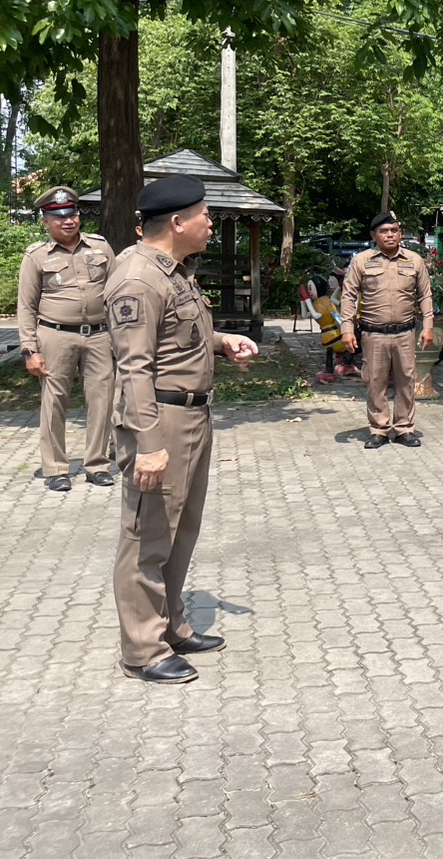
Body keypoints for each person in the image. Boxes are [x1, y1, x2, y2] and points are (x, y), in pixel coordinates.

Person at [107, 175, 259, 683]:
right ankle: (143, 650)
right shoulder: (138, 278)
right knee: (147, 537)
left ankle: (170, 626)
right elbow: (134, 368)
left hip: (193, 417)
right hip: (159, 420)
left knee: (179, 531)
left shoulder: (172, 272)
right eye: (205, 215)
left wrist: (221, 342)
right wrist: (148, 445)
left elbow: (176, 335)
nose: (210, 223)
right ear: (177, 222)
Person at [17, 185, 117, 492]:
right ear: (46, 221)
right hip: (55, 336)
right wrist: (29, 350)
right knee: (54, 402)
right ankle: (56, 469)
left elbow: (119, 290)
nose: (68, 221)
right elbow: (26, 306)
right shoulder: (36, 256)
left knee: (102, 400)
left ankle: (97, 464)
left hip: (100, 336)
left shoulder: (100, 247)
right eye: (59, 216)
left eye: (72, 214)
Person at [339, 211, 434, 448]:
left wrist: (428, 326)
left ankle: (404, 429)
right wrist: (347, 329)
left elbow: (425, 295)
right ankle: (379, 430)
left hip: (405, 333)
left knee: (406, 382)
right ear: (374, 235)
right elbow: (349, 296)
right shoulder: (361, 261)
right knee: (375, 382)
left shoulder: (414, 260)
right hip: (373, 334)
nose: (390, 235)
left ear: (400, 234)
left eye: (394, 230)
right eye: (384, 231)